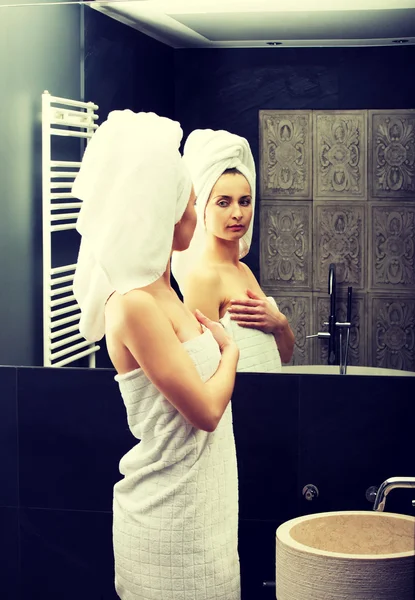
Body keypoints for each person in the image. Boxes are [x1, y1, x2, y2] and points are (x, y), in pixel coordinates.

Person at [72, 111, 241, 600]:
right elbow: (206, 413)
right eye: (190, 203)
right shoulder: (135, 305)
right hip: (168, 525)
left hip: (202, 513)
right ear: (161, 211)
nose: (195, 212)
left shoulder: (170, 293)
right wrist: (228, 350)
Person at [172, 129, 295, 373]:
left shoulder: (243, 270)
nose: (237, 213)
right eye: (223, 202)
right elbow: (204, 372)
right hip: (239, 407)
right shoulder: (203, 278)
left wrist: (280, 324)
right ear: (203, 208)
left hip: (264, 402)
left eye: (244, 201)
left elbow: (285, 354)